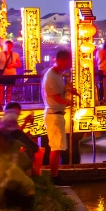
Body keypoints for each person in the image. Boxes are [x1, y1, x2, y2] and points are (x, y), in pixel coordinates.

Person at [41, 49, 77, 178]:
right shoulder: (51, 75)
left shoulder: (58, 74)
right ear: (61, 60)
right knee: (56, 148)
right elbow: (56, 97)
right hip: (54, 114)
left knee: (58, 147)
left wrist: (69, 90)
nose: (70, 64)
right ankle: (54, 177)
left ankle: (55, 175)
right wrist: (68, 102)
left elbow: (59, 91)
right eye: (69, 61)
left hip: (57, 114)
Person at [0, 39, 23, 110]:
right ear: (4, 46)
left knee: (9, 89)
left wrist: (12, 65)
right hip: (2, 74)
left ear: (12, 46)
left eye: (9, 46)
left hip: (11, 74)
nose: (8, 47)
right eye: (7, 45)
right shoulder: (0, 54)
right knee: (0, 89)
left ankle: (7, 104)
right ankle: (0, 105)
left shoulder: (15, 54)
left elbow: (19, 65)